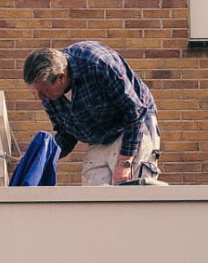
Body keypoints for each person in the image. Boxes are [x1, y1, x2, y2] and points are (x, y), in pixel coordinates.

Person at [22, 41, 163, 185]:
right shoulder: (50, 98)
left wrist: (125, 162)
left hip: (132, 126)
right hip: (100, 136)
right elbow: (66, 135)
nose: (40, 97)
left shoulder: (97, 64)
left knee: (131, 190)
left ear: (61, 77)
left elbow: (134, 111)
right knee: (93, 194)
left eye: (44, 91)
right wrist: (40, 157)